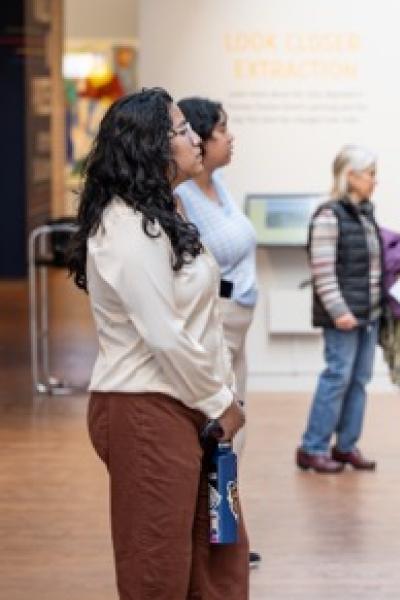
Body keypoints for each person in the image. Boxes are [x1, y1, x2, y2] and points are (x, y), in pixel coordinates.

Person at [67, 87, 249, 599]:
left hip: (187, 402)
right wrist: (221, 402)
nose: (193, 137)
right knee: (157, 571)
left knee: (215, 558)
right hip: (146, 409)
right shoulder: (125, 226)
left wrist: (217, 396)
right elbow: (164, 335)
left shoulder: (167, 211)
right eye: (181, 129)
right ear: (150, 145)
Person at [175, 96, 262, 568]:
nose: (231, 138)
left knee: (238, 425)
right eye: (223, 130)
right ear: (201, 140)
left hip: (238, 321)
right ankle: (214, 535)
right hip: (216, 324)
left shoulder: (219, 185)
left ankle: (225, 530)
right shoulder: (183, 198)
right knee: (220, 426)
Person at [296, 145, 383, 473]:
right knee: (337, 377)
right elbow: (323, 270)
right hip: (344, 315)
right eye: (371, 174)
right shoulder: (330, 215)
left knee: (359, 379)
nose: (376, 181)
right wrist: (339, 311)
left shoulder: (364, 213)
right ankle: (312, 447)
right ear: (351, 176)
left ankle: (345, 446)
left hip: (368, 313)